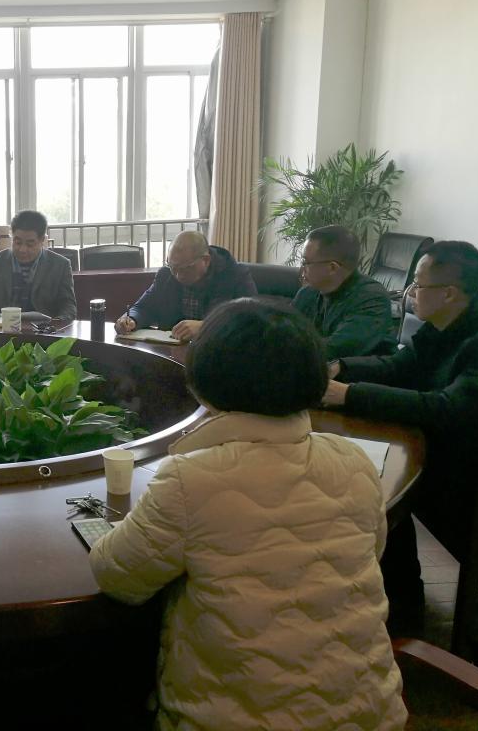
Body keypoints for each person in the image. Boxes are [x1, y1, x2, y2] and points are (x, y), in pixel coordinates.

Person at [90, 299, 406, 730]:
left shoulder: (190, 478)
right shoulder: (354, 461)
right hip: (370, 714)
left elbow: (118, 578)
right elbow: (372, 550)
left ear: (203, 384)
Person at [322, 240, 478, 632]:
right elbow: (398, 366)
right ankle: (402, 601)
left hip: (467, 479)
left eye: (418, 285)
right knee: (377, 486)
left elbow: (448, 409)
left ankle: (404, 614)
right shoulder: (443, 328)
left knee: (377, 491)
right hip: (444, 455)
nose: (409, 293)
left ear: (448, 294)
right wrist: (342, 368)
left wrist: (349, 395)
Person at [114, 231, 255, 341]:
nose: (178, 275)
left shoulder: (235, 275)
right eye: (173, 267)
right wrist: (131, 320)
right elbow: (143, 307)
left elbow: (251, 321)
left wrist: (205, 327)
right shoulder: (166, 275)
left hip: (217, 355)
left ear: (206, 260)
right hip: (173, 352)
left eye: (185, 269)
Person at [291, 225, 397, 359]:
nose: (302, 268)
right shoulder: (308, 292)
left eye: (306, 262)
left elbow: (335, 350)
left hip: (357, 371)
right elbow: (285, 330)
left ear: (332, 268)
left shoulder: (372, 299)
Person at [0, 210, 77, 322]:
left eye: (30, 244)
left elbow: (68, 306)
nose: (22, 249)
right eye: (18, 242)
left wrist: (57, 323)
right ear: (12, 237)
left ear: (42, 240)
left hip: (44, 329)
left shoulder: (60, 265)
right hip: (1, 328)